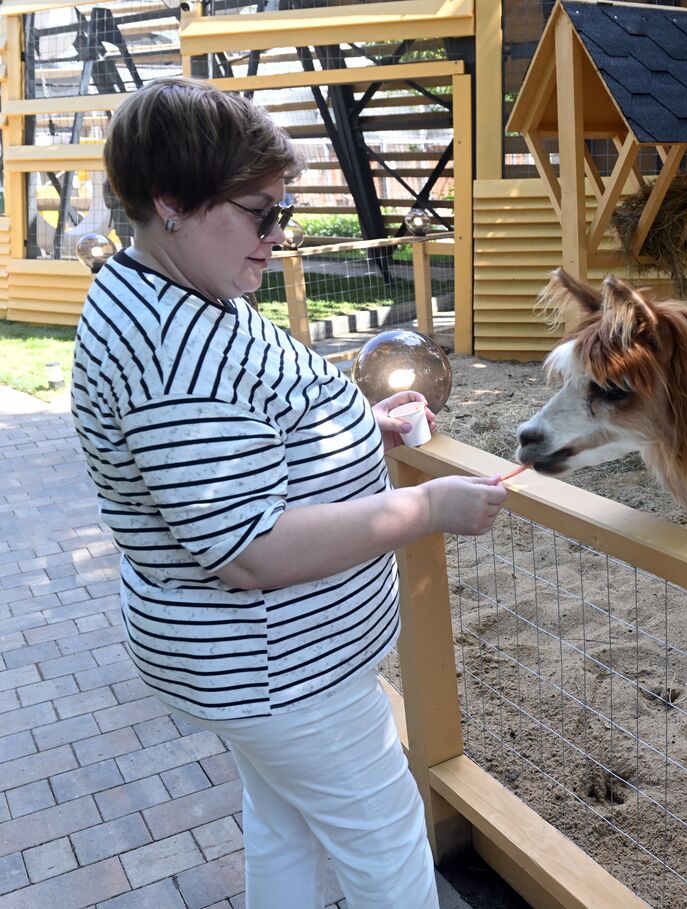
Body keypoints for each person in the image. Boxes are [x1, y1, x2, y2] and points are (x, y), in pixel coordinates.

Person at [70, 78, 506, 908]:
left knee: (283, 826)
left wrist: (353, 428)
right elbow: (249, 549)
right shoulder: (174, 354)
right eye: (260, 213)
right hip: (278, 669)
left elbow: (242, 446)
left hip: (251, 667)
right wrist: (427, 508)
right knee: (388, 849)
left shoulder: (177, 289)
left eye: (286, 213)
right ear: (169, 201)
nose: (278, 236)